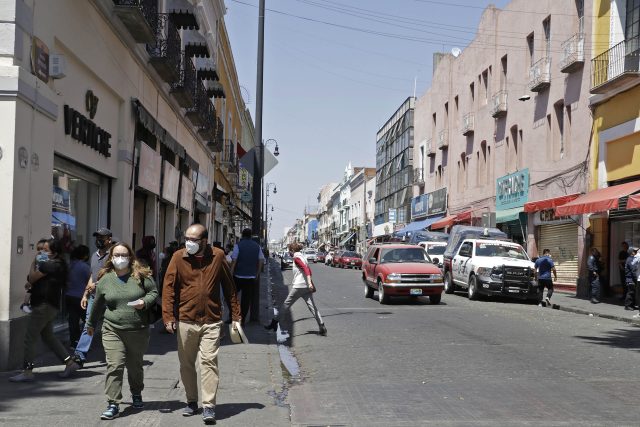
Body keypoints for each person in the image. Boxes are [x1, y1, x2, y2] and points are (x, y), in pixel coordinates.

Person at [162, 223, 241, 425]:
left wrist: (236, 316)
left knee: (208, 362)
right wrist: (168, 317)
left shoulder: (218, 256)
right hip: (186, 319)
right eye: (187, 239)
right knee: (186, 364)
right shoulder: (179, 257)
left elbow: (230, 287)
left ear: (204, 241)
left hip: (211, 320)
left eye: (193, 240)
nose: (188, 243)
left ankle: (209, 406)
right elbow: (168, 287)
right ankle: (191, 400)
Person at [86, 242, 158, 420]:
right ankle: (113, 403)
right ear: (111, 258)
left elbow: (154, 292)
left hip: (137, 330)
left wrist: (145, 302)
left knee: (135, 366)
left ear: (130, 257)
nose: (120, 259)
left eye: (124, 255)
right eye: (116, 255)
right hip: (112, 329)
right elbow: (97, 304)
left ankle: (136, 393)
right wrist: (91, 323)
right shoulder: (105, 279)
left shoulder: (141, 275)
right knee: (115, 365)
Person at [10, 238, 75, 382]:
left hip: (44, 306)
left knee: (30, 338)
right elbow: (32, 279)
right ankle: (69, 362)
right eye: (40, 250)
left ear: (55, 252)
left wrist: (34, 262)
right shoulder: (56, 264)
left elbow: (32, 278)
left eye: (45, 250)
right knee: (48, 337)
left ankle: (27, 371)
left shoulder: (50, 265)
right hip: (49, 306)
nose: (41, 252)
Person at [60, 227, 115, 377]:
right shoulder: (94, 255)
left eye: (102, 237)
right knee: (88, 325)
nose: (99, 240)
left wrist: (95, 285)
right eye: (97, 237)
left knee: (114, 326)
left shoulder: (115, 256)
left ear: (109, 239)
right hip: (94, 297)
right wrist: (85, 293)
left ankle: (120, 355)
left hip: (111, 297)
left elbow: (114, 277)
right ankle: (80, 356)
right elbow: (93, 275)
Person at [265, 242, 327, 336]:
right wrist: (309, 283)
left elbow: (306, 270)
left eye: (290, 250)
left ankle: (274, 323)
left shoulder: (297, 258)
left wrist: (310, 282)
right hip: (305, 287)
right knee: (312, 307)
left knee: (286, 304)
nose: (289, 252)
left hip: (298, 286)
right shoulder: (303, 257)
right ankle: (322, 326)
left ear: (293, 250)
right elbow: (309, 270)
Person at [230, 228, 265, 325]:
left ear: (242, 235)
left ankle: (233, 317)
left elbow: (234, 260)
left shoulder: (238, 245)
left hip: (238, 276)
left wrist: (230, 273)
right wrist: (257, 273)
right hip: (250, 277)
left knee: (233, 297)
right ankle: (243, 320)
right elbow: (261, 260)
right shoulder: (257, 246)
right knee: (246, 299)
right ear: (250, 236)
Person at [66, 245, 91, 347]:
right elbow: (90, 282)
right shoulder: (85, 267)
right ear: (85, 255)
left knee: (73, 320)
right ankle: (84, 342)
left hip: (69, 296)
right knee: (88, 321)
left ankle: (74, 342)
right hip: (82, 297)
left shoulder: (70, 265)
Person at [20, 238, 48, 314]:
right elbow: (37, 271)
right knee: (30, 291)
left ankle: (25, 304)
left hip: (37, 282)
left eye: (42, 249)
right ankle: (25, 304)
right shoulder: (41, 257)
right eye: (39, 249)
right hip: (37, 282)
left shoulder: (41, 257)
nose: (40, 251)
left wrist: (30, 280)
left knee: (30, 291)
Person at [624, 247, 639, 311]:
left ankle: (632, 305)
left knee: (632, 292)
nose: (636, 252)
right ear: (632, 252)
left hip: (631, 278)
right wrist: (636, 279)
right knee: (630, 292)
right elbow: (633, 270)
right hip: (631, 278)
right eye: (635, 251)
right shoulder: (630, 259)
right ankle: (628, 306)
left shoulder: (631, 258)